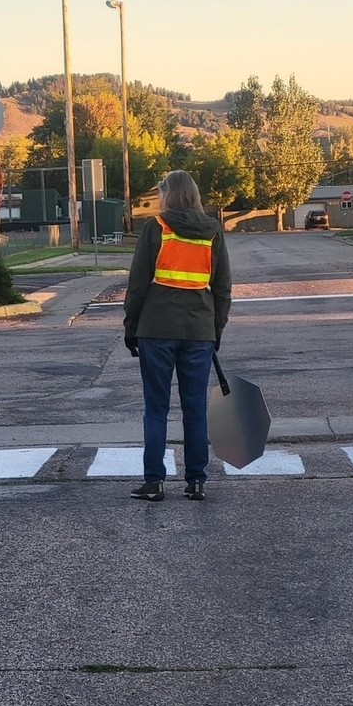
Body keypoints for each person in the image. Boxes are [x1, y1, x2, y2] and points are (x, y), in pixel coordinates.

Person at [123, 170, 232, 502]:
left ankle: (154, 482)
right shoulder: (213, 230)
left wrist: (131, 326)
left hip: (156, 331)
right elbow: (222, 288)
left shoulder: (156, 228)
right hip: (198, 332)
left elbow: (138, 283)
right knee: (195, 408)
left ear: (168, 194)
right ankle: (197, 481)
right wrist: (215, 330)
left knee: (156, 408)